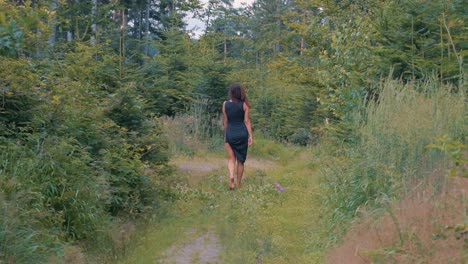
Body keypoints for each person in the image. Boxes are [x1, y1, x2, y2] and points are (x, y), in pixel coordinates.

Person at [222, 83, 253, 190]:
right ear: (241, 92)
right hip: (242, 134)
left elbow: (225, 121)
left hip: (230, 133)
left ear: (231, 93)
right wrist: (250, 136)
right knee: (241, 161)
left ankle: (231, 177)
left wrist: (226, 134)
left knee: (231, 159)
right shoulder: (244, 105)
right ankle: (238, 184)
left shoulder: (225, 104)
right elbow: (246, 121)